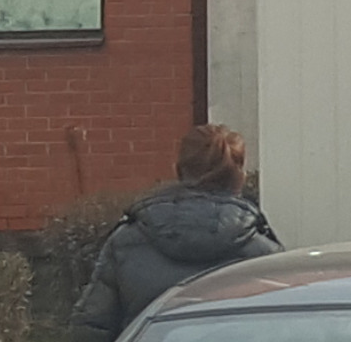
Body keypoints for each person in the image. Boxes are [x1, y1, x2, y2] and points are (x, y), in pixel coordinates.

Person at [69, 126, 282, 342]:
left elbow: (92, 328)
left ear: (178, 170)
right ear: (240, 177)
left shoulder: (126, 242)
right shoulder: (265, 255)